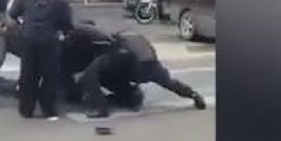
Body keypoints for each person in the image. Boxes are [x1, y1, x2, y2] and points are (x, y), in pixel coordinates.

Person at [79, 30, 207, 118]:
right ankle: (194, 95)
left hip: (134, 66)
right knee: (168, 82)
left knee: (101, 74)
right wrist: (193, 94)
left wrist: (100, 107)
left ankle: (119, 100)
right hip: (150, 64)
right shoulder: (132, 40)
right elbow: (169, 82)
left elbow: (93, 73)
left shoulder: (116, 45)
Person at [8, 0, 73, 119]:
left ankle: (26, 109)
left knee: (28, 72)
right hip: (49, 40)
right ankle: (47, 109)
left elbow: (13, 14)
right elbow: (66, 24)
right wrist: (64, 34)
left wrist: (23, 28)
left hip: (27, 37)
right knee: (49, 75)